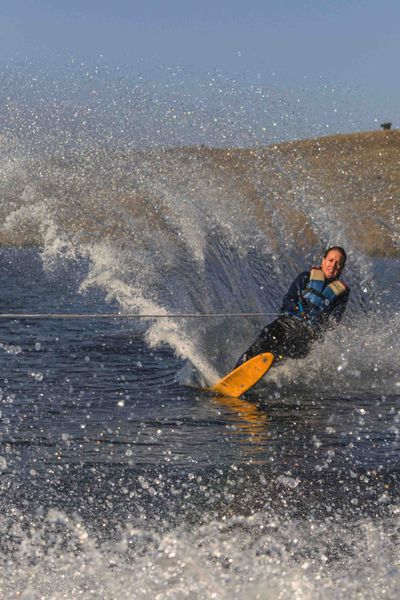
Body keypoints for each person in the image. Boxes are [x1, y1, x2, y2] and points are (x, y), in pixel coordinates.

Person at [235, 246, 350, 368]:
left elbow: (334, 321)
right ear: (323, 261)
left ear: (341, 268)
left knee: (286, 349)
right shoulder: (305, 277)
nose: (333, 265)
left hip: (307, 335)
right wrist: (297, 309)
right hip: (287, 323)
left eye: (338, 263)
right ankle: (239, 368)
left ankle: (267, 368)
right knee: (267, 337)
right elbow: (288, 299)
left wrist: (318, 324)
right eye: (331, 260)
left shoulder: (341, 295)